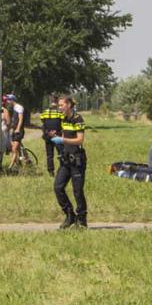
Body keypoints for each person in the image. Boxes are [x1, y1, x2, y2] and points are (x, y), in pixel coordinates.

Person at [49, 96, 88, 229]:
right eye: (59, 106)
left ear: (69, 105)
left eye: (61, 105)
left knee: (77, 191)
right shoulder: (63, 119)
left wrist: (63, 140)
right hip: (66, 160)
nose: (59, 108)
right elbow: (65, 135)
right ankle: (70, 215)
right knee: (58, 187)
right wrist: (56, 136)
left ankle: (82, 220)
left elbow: (80, 140)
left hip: (77, 160)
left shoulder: (78, 119)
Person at [40, 95, 64, 176]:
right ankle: (62, 169)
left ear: (50, 102)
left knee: (49, 155)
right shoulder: (60, 112)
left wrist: (48, 132)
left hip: (48, 135)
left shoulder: (45, 112)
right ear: (57, 102)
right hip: (57, 135)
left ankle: (51, 172)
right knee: (60, 153)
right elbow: (63, 122)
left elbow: (43, 121)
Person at [5, 94, 25, 169]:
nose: (7, 102)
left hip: (18, 131)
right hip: (14, 131)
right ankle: (21, 164)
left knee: (14, 149)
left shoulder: (19, 107)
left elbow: (21, 119)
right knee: (16, 149)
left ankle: (10, 167)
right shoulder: (12, 108)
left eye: (8, 100)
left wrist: (18, 129)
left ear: (12, 100)